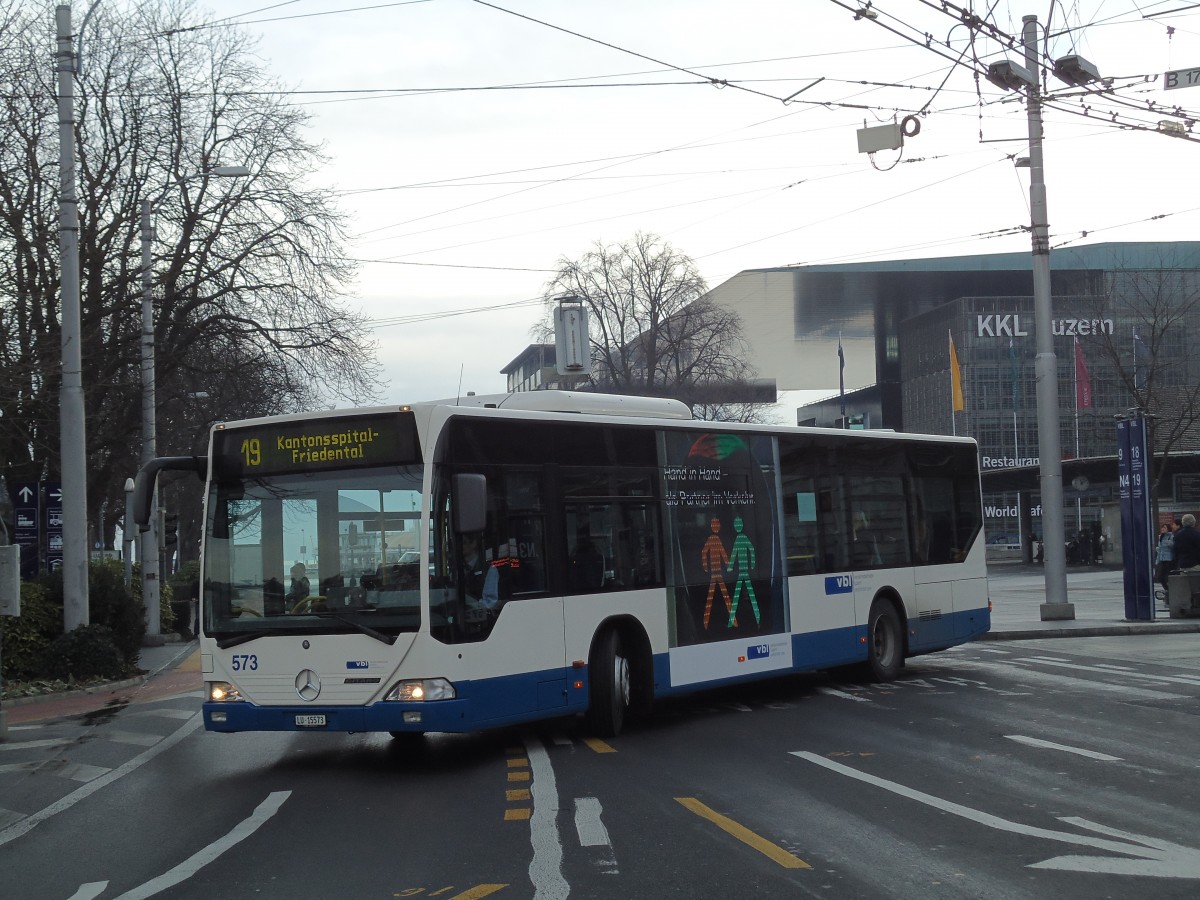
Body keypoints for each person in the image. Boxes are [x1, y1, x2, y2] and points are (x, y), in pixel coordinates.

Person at [461, 533, 499, 609]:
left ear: (473, 543)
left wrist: (473, 605)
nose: (461, 546)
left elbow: (490, 602)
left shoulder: (489, 569)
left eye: (464, 542)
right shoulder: (458, 569)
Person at [1155, 521, 1176, 594]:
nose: (1163, 529)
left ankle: (1171, 591)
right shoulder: (1160, 537)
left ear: (1168, 529)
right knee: (1160, 577)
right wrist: (1157, 560)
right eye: (1162, 527)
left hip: (1169, 559)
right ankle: (1167, 590)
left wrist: (1170, 544)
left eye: (1164, 527)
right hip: (1162, 559)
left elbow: (1174, 547)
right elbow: (1160, 549)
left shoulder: (1171, 536)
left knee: (1168, 576)